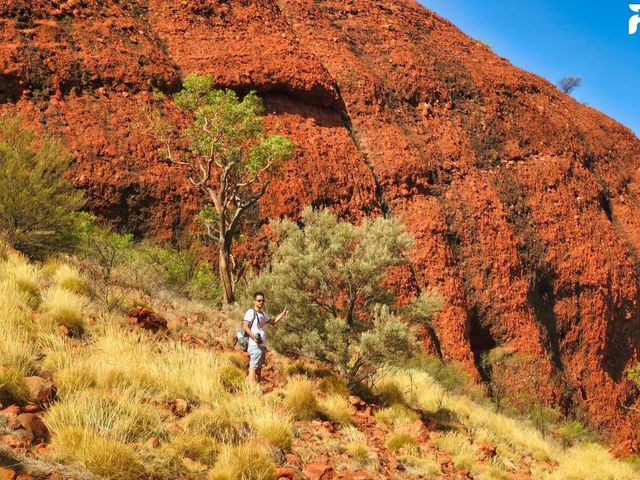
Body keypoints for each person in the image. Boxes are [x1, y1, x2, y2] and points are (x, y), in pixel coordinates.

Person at [243, 291, 288, 384]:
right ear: (254, 301)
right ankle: (251, 390)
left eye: (263, 300)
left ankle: (257, 388)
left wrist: (282, 314)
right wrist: (254, 337)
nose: (261, 302)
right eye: (259, 300)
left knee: (259, 369)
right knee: (253, 367)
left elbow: (273, 322)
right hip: (254, 344)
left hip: (261, 346)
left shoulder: (262, 314)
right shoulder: (251, 312)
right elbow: (245, 326)